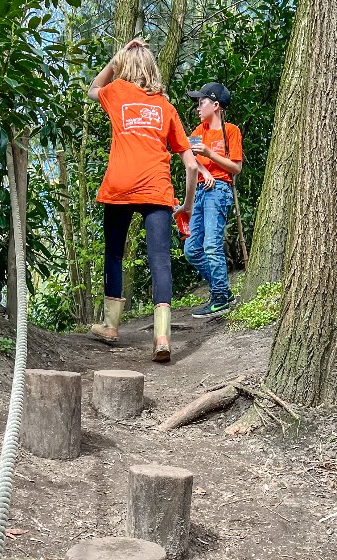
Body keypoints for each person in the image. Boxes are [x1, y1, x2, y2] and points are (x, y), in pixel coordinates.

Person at [87, 39, 198, 362]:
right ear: (152, 69)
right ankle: (162, 337)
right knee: (160, 260)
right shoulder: (166, 108)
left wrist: (115, 57)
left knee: (114, 254)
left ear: (125, 67)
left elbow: (94, 88)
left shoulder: (116, 92)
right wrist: (187, 205)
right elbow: (191, 164)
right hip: (156, 189)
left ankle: (110, 325)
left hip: (120, 186)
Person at [184, 82, 243, 318]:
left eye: (202, 102)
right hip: (200, 190)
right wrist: (204, 170)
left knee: (211, 245)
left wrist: (210, 155)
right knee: (191, 249)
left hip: (219, 190)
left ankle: (219, 298)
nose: (198, 107)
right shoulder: (199, 131)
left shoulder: (231, 131)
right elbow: (188, 157)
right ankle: (223, 291)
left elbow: (236, 168)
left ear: (216, 105)